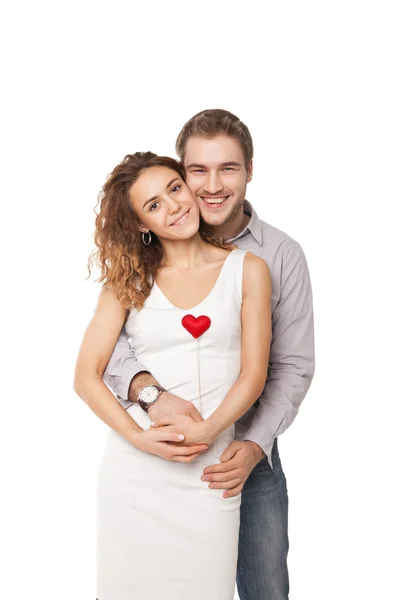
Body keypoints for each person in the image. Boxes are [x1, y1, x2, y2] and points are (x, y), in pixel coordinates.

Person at [104, 109, 315, 600]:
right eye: (198, 171)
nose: (213, 185)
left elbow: (292, 366)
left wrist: (255, 444)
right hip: (161, 459)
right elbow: (109, 348)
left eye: (229, 168)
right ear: (181, 173)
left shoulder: (277, 257)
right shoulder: (146, 250)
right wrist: (150, 395)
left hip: (246, 456)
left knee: (264, 590)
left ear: (250, 171)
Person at [74, 151, 272, 600]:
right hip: (135, 479)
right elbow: (87, 374)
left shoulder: (248, 269)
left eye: (175, 188)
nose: (174, 206)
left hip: (210, 473)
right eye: (154, 205)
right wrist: (137, 436)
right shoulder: (130, 280)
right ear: (142, 224)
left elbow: (254, 374)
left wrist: (207, 430)